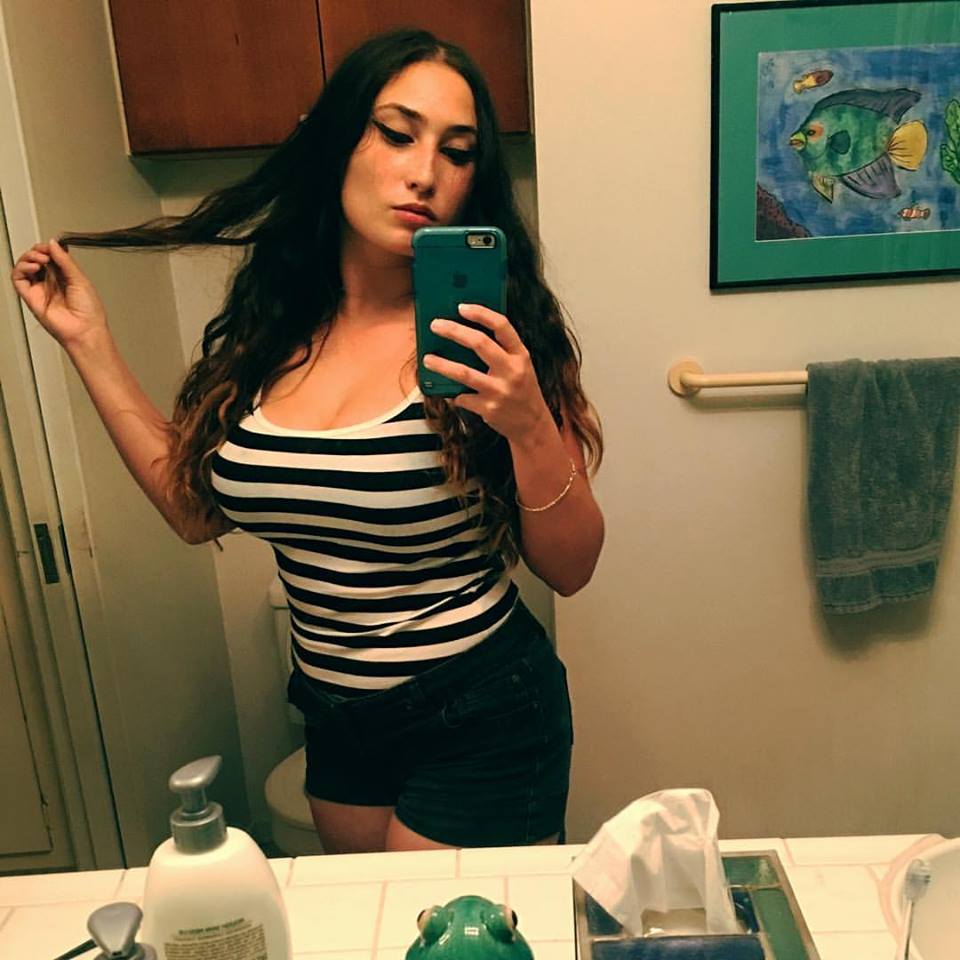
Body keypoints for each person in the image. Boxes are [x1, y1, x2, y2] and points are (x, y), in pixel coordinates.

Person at [10, 28, 604, 853]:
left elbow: (572, 567)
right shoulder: (273, 329)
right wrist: (88, 343)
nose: (425, 173)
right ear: (337, 141)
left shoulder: (491, 336)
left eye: (457, 152)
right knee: (362, 921)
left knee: (429, 924)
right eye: (397, 134)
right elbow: (195, 512)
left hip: (482, 709)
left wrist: (529, 419)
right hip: (335, 720)